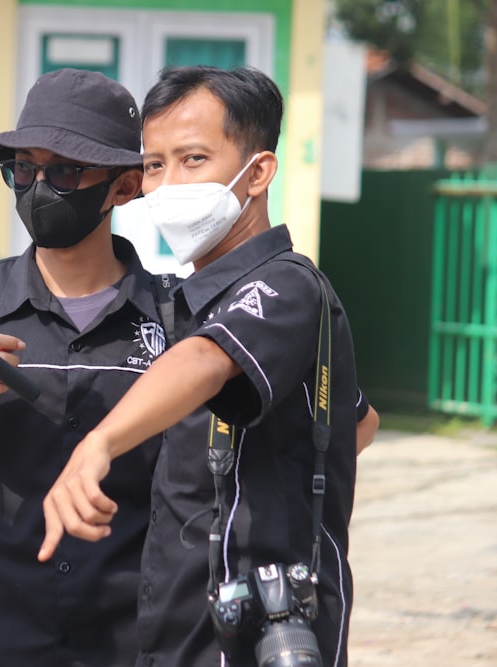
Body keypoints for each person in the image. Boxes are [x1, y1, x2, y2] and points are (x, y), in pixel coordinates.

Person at [40, 65, 373, 667]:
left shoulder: (287, 284)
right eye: (154, 165)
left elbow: (205, 360)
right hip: (179, 627)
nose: (168, 185)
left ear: (259, 173)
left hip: (260, 632)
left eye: (193, 160)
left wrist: (99, 443)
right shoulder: (193, 298)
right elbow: (360, 422)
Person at [0, 68, 172, 667]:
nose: (40, 186)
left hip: (130, 644)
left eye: (66, 171)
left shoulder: (178, 319)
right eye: (24, 168)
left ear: (125, 187)